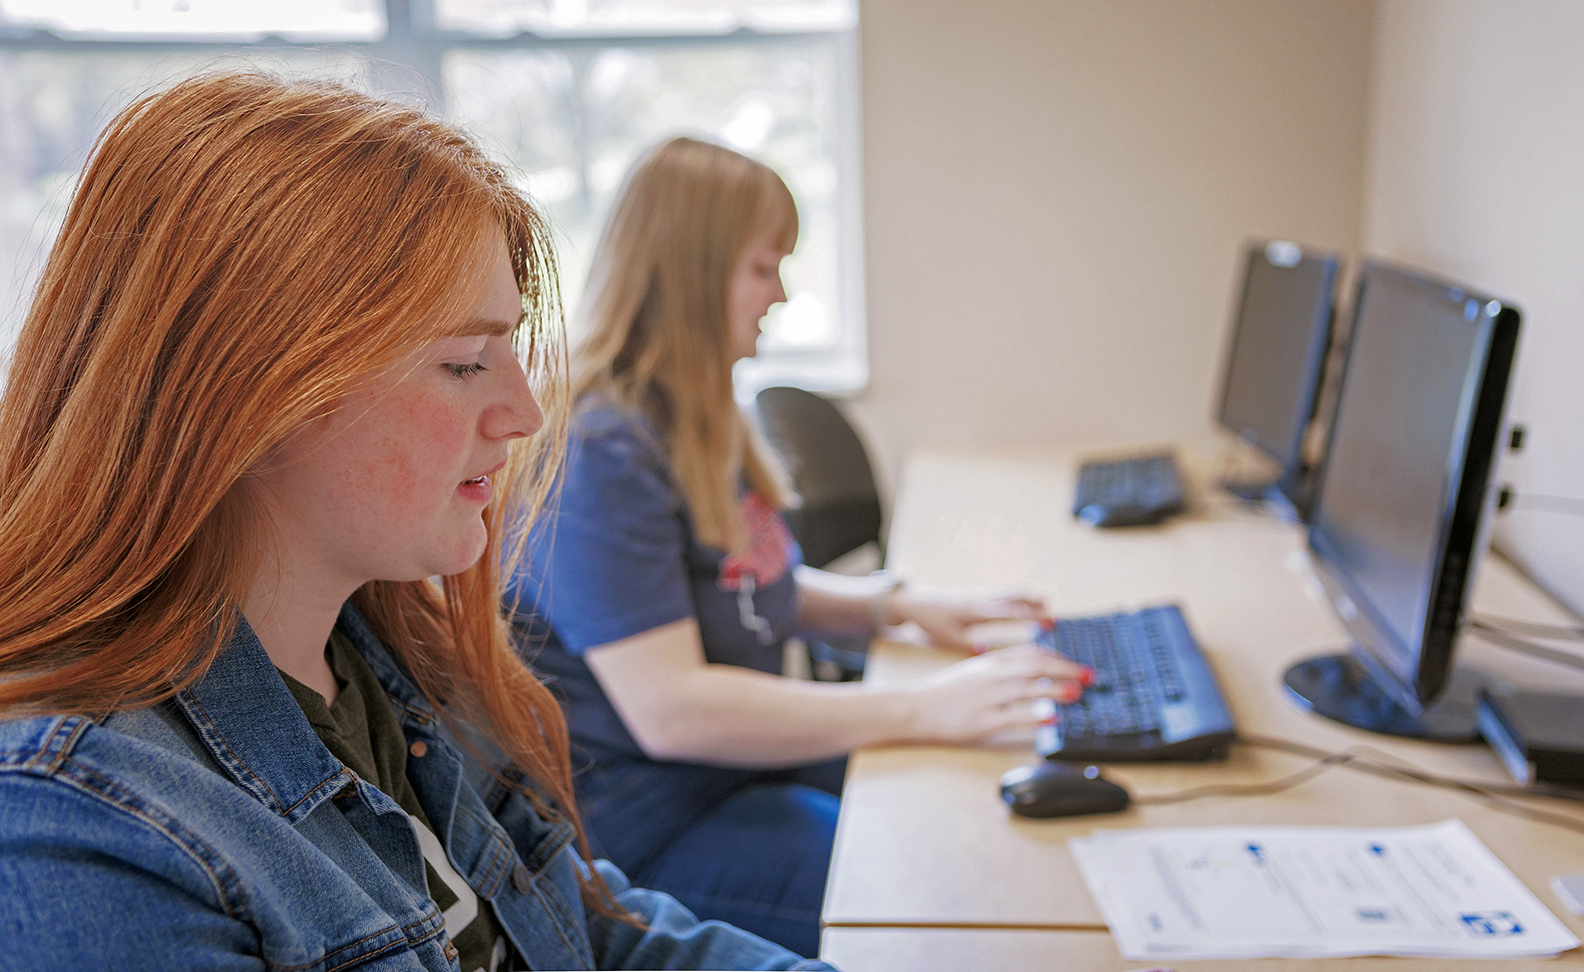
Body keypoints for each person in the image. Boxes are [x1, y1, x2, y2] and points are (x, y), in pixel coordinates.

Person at [0, 74, 838, 972]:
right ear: (249, 392)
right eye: (466, 363)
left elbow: (580, 930)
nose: (523, 412)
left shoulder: (393, 657)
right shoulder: (79, 819)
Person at [510, 136, 1089, 957]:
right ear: (691, 271)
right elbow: (671, 709)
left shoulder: (697, 410)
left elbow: (748, 581)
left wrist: (897, 605)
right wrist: (925, 706)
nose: (779, 294)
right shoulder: (600, 446)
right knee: (942, 880)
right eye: (763, 266)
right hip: (647, 826)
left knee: (972, 804)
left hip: (730, 774)